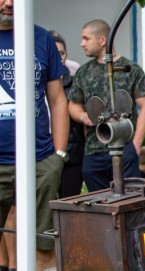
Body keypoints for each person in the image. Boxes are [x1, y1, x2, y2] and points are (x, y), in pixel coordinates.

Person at [0, 0, 85, 271]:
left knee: (44, 246)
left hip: (38, 161)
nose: (8, 2)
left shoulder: (39, 38)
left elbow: (57, 98)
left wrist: (59, 154)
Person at [68, 19, 145, 192]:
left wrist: (136, 143)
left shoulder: (131, 69)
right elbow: (73, 105)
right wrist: (83, 116)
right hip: (93, 151)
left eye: (86, 38)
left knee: (130, 201)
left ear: (102, 40)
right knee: (100, 206)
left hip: (124, 147)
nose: (82, 44)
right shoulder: (83, 72)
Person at [49, 30, 85, 198]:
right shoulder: (33, 85)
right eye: (53, 52)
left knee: (69, 204)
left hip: (72, 157)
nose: (58, 57)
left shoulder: (76, 84)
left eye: (62, 53)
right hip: (42, 156)